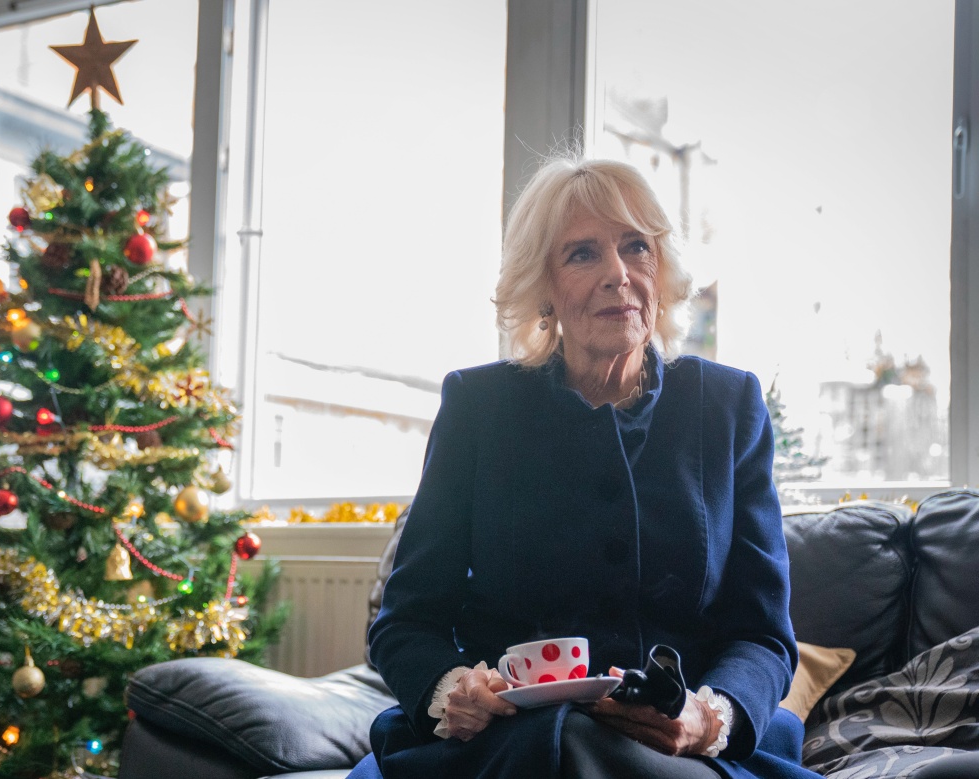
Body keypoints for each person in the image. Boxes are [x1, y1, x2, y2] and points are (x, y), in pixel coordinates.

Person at [347, 157, 823, 779]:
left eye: (636, 248)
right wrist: (452, 688)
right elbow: (406, 620)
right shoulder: (479, 406)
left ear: (662, 269)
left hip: (674, 748)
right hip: (505, 741)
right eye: (582, 254)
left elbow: (762, 633)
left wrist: (708, 719)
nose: (617, 275)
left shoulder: (728, 405)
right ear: (542, 283)